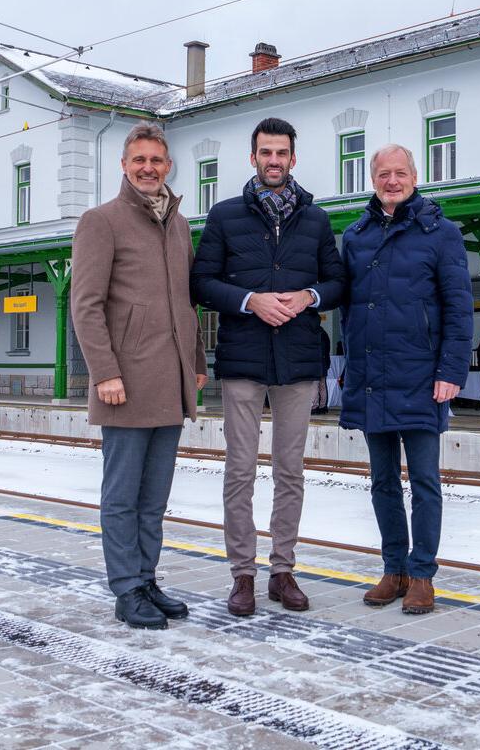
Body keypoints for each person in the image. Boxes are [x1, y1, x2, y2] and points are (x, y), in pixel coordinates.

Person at [191, 117, 345, 616]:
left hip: (298, 359)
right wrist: (250, 300)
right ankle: (242, 575)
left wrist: (310, 294)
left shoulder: (316, 220)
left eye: (282, 153)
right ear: (252, 157)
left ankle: (283, 570)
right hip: (243, 359)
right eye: (265, 152)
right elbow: (201, 284)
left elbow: (339, 281)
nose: (273, 161)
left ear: (293, 159)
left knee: (290, 470)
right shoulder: (225, 215)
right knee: (239, 469)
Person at [71, 123, 207, 630]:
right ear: (124, 166)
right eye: (139, 160)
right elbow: (86, 307)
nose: (148, 168)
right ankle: (126, 588)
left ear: (168, 166)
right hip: (124, 382)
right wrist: (104, 371)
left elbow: (184, 303)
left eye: (156, 160)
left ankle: (146, 578)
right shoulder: (100, 221)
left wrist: (195, 361)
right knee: (122, 495)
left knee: (154, 496)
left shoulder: (178, 223)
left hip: (169, 380)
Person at [340, 145, 473, 615]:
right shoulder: (355, 236)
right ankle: (393, 568)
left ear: (415, 176)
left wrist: (451, 371)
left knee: (424, 481)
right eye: (383, 174)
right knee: (381, 482)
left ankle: (422, 575)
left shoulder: (441, 233)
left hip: (421, 377)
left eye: (400, 173)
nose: (391, 180)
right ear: (372, 180)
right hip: (373, 375)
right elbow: (350, 309)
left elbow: (459, 308)